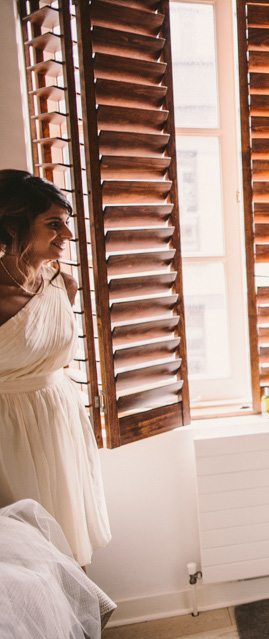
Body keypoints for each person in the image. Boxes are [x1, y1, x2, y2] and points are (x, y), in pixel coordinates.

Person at [0, 169, 111, 567]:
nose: (66, 234)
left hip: (58, 420)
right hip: (8, 432)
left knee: (71, 547)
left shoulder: (62, 283)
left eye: (65, 223)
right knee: (27, 556)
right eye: (52, 224)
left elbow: (59, 358)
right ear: (12, 225)